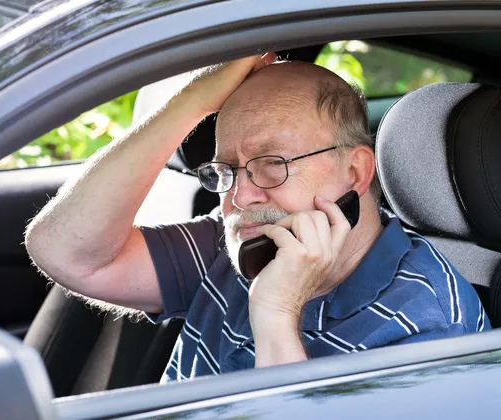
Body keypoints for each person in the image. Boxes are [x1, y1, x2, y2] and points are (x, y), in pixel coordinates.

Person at [25, 53, 491, 383]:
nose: (241, 196)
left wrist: (275, 313)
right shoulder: (235, 244)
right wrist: (192, 102)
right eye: (227, 169)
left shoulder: (429, 323)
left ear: (354, 173)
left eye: (273, 164)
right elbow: (67, 251)